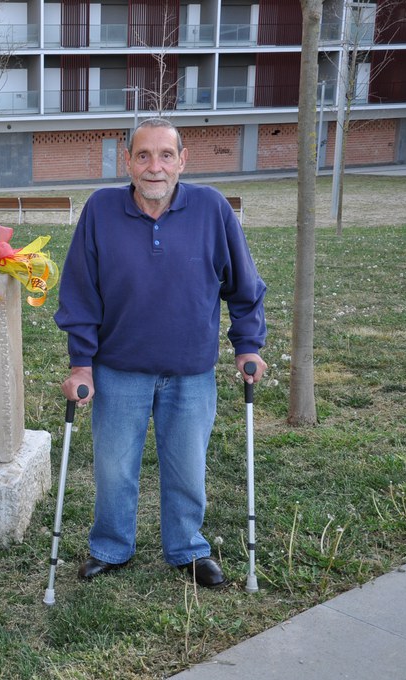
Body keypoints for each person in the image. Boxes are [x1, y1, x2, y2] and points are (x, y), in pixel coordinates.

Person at [54, 118, 267, 588]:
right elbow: (80, 292)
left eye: (166, 155)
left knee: (187, 469)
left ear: (182, 161)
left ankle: (187, 549)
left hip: (190, 371)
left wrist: (247, 345)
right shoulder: (101, 210)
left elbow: (244, 285)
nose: (155, 167)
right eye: (144, 156)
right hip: (118, 368)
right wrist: (81, 363)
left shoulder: (211, 209)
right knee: (113, 469)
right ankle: (111, 547)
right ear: (128, 163)